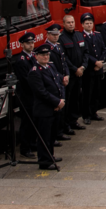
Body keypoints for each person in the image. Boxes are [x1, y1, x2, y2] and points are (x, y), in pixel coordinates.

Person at [24, 40, 65, 170]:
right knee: (44, 138)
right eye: (42, 55)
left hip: (55, 108)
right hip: (44, 110)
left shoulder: (51, 66)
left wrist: (62, 99)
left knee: (52, 136)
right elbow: (41, 92)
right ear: (36, 56)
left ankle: (50, 156)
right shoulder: (35, 72)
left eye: (47, 54)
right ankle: (44, 162)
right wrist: (57, 101)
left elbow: (59, 83)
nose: (45, 57)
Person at [57, 16, 88, 128]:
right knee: (68, 100)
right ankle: (65, 124)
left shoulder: (79, 35)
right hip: (70, 75)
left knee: (76, 99)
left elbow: (86, 52)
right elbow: (64, 58)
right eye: (68, 22)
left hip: (80, 73)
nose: (71, 24)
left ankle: (74, 121)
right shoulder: (61, 38)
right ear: (64, 24)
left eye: (72, 22)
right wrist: (75, 69)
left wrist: (83, 67)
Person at [77, 13, 106, 122]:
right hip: (89, 70)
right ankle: (86, 115)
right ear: (82, 25)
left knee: (97, 92)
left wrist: (101, 62)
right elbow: (85, 53)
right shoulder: (81, 37)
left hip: (98, 69)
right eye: (87, 23)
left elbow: (104, 49)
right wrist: (95, 63)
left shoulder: (97, 35)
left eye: (90, 23)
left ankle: (94, 112)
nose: (89, 25)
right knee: (87, 94)